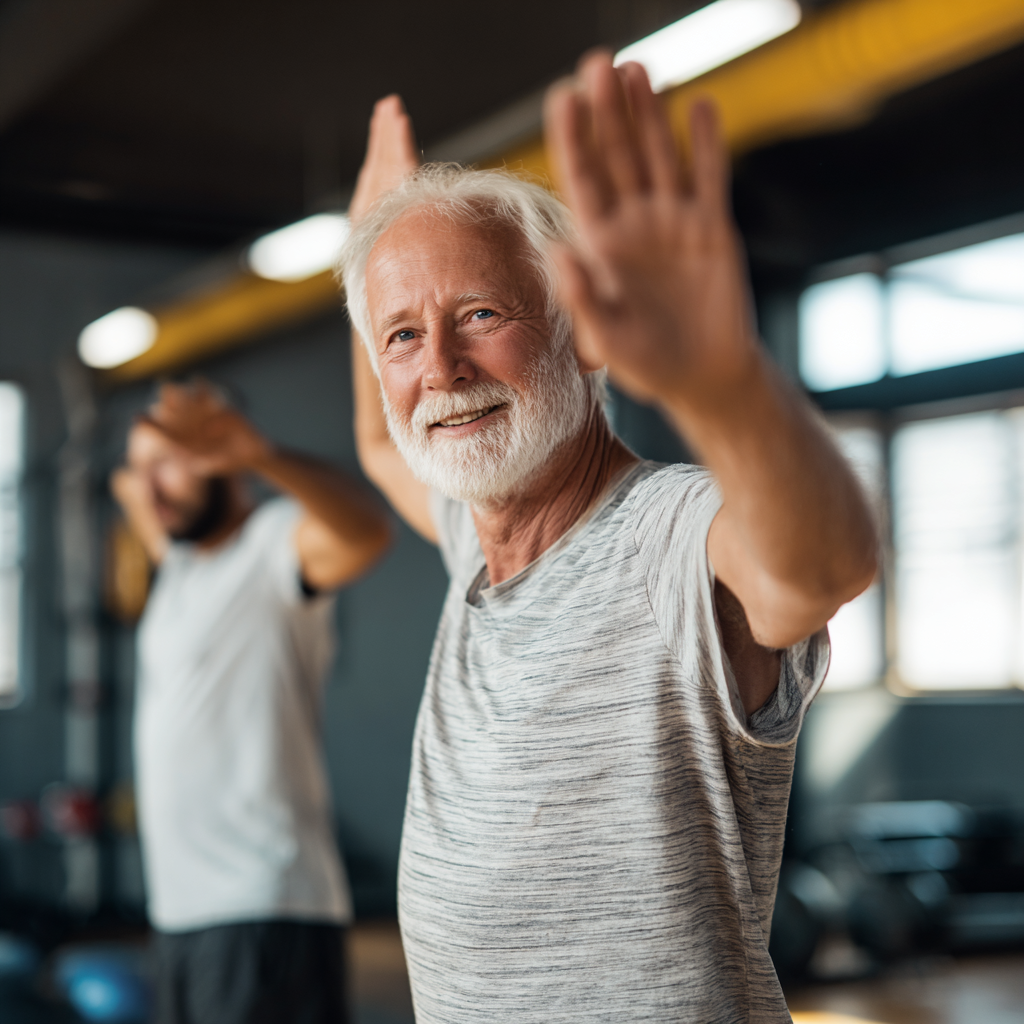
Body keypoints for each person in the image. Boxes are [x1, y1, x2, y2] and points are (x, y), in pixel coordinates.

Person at [339, 52, 878, 1023]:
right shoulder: (478, 538)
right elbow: (386, 438)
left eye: (481, 314)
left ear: (581, 333)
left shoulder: (666, 536)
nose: (444, 368)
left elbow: (820, 567)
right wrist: (369, 248)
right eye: (404, 337)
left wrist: (719, 378)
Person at [111, 381, 391, 1024]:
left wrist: (258, 454)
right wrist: (148, 470)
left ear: (222, 458)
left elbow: (367, 532)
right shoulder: (179, 570)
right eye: (138, 470)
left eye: (169, 464)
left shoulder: (270, 545)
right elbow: (141, 498)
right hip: (181, 915)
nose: (150, 489)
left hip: (262, 907)